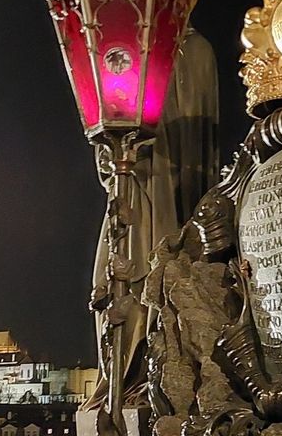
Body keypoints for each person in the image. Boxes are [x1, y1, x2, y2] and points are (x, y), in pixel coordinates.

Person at [84, 27, 218, 409]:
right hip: (129, 193)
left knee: (149, 278)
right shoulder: (120, 52)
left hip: (166, 191)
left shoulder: (191, 50)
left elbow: (191, 143)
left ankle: (149, 380)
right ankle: (121, 381)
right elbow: (105, 149)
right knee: (110, 282)